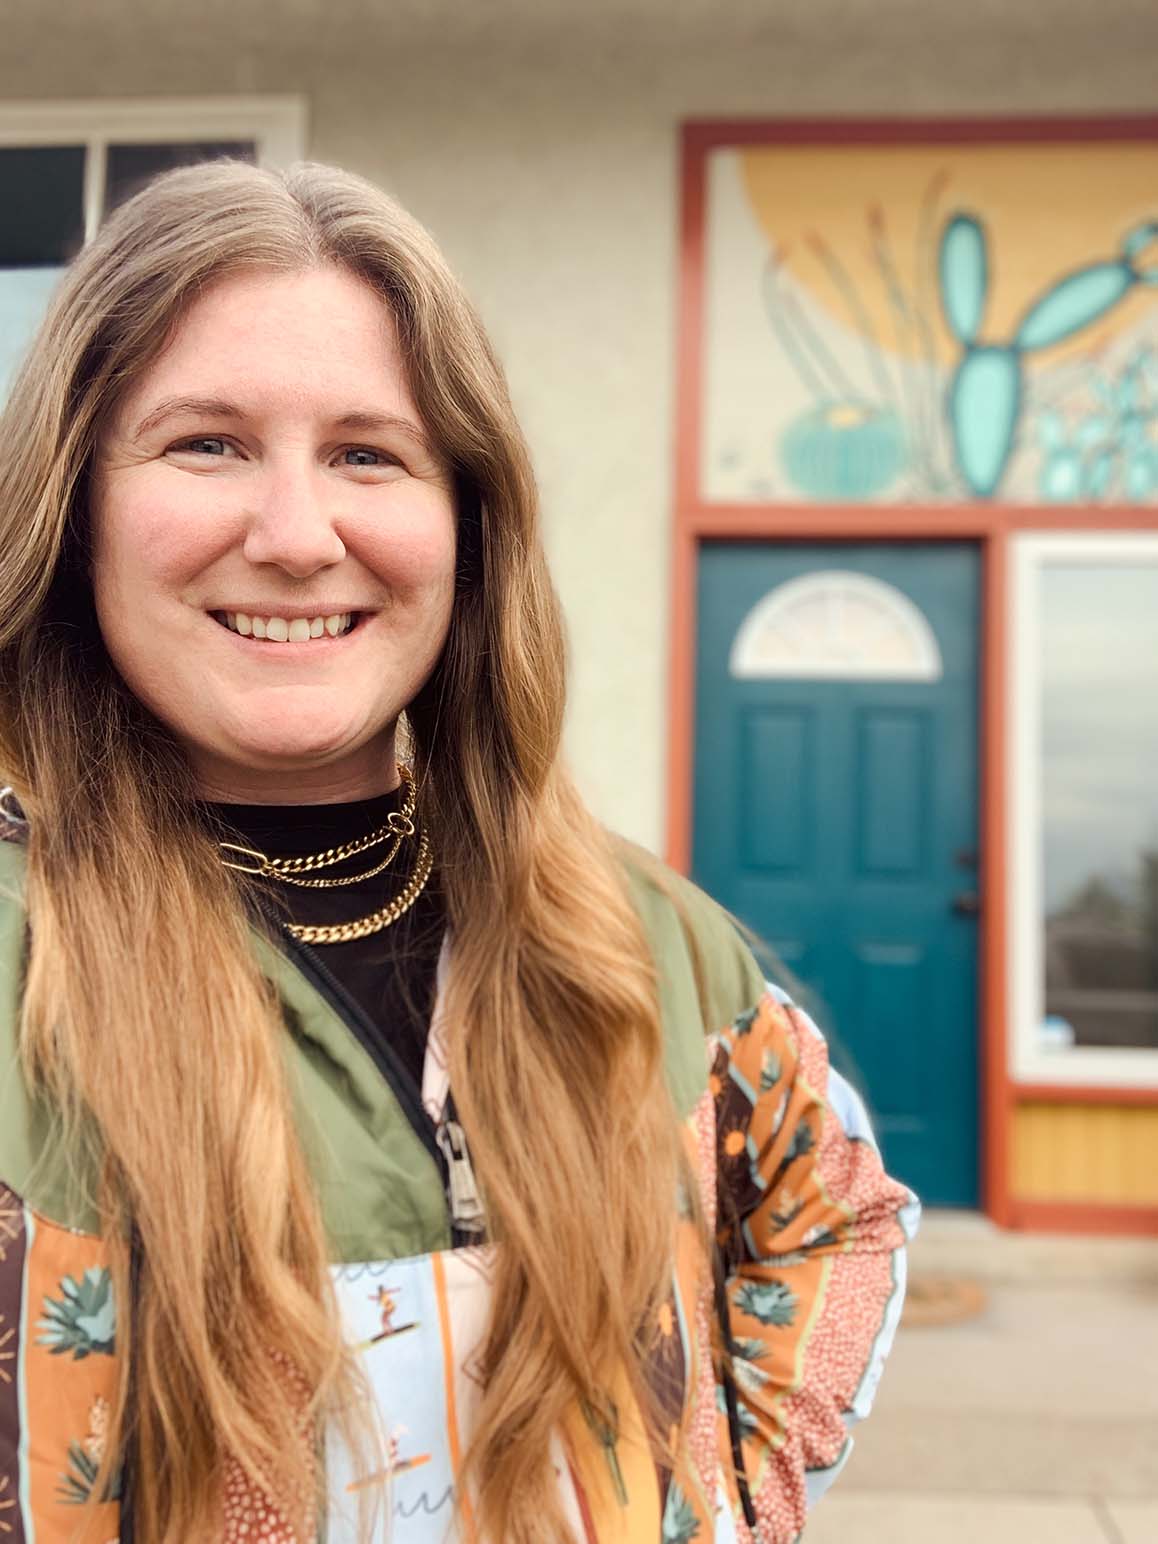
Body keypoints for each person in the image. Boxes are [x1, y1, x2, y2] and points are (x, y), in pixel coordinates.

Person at [0, 160, 918, 1544]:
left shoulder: (637, 932)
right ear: (71, 508)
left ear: (466, 527)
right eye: (206, 444)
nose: (298, 537)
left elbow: (837, 1211)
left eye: (370, 453)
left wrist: (722, 1504)